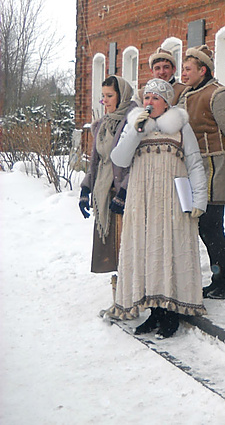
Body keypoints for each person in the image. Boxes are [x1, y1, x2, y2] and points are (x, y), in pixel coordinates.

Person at [109, 78, 208, 338]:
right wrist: (135, 130)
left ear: (167, 102)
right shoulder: (136, 126)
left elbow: (195, 163)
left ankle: (170, 313)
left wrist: (199, 199)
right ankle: (153, 312)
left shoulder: (180, 126)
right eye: (146, 97)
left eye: (155, 98)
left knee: (169, 250)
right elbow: (118, 158)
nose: (149, 102)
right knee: (146, 251)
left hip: (171, 200)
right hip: (142, 200)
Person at [179, 45, 225, 300]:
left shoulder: (218, 95)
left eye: (188, 69)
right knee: (205, 227)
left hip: (217, 167)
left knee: (211, 226)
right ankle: (221, 275)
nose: (184, 73)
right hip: (197, 168)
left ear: (202, 70)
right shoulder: (188, 94)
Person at [79, 75, 134, 307]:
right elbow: (96, 161)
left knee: (125, 248)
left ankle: (129, 299)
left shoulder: (133, 120)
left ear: (121, 96)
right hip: (104, 192)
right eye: (103, 97)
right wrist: (85, 188)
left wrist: (123, 192)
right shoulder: (102, 124)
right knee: (112, 250)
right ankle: (119, 299)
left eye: (109, 96)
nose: (105, 101)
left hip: (124, 194)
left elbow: (134, 161)